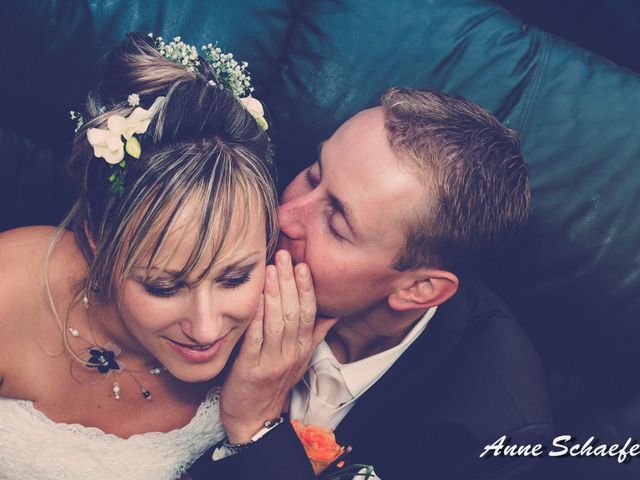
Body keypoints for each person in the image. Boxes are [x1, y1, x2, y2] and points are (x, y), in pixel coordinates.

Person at [0, 33, 332, 480]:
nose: (207, 328)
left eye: (234, 278)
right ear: (97, 242)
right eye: (164, 286)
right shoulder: (10, 291)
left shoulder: (281, 333)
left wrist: (257, 423)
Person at [189, 88, 554, 479]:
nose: (284, 215)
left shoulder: (489, 437)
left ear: (420, 288)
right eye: (314, 173)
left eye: (335, 225)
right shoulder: (251, 218)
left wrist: (257, 428)